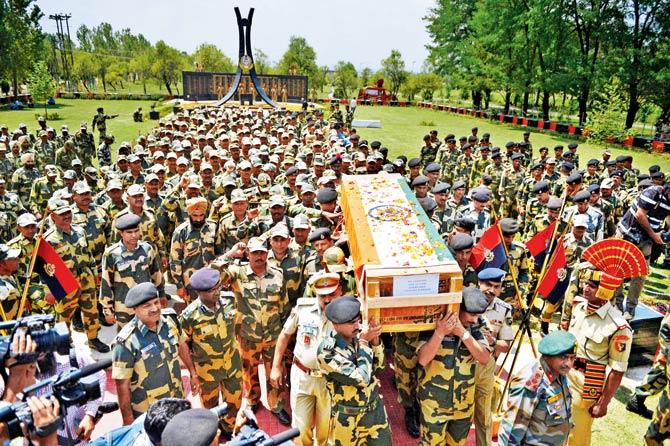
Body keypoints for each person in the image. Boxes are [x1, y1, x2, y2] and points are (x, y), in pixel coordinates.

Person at [211, 238, 290, 425]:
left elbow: (284, 305)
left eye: (262, 252)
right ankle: (253, 400)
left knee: (276, 372)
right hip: (247, 334)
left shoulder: (277, 274)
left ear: (267, 253)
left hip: (273, 335)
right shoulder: (237, 274)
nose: (259, 257)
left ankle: (277, 405)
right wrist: (230, 254)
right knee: (249, 371)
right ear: (248, 254)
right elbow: (212, 274)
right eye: (255, 253)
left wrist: (285, 334)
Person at [270, 272, 341, 446]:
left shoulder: (348, 313)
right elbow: (285, 335)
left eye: (331, 294)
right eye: (322, 295)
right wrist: (276, 366)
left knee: (328, 430)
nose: (327, 300)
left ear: (340, 291)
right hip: (303, 377)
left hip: (331, 380)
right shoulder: (303, 309)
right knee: (300, 431)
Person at [565, 268, 632, 446]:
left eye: (592, 286)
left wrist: (603, 402)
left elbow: (617, 369)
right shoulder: (578, 306)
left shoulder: (618, 326)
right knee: (555, 427)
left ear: (605, 290)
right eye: (586, 283)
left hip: (586, 385)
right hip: (564, 375)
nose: (586, 288)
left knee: (576, 435)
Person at [417, 287, 491, 446]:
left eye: (478, 316)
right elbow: (423, 359)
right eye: (472, 315)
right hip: (434, 405)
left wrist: (463, 333)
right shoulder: (433, 323)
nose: (475, 320)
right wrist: (440, 333)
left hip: (463, 407)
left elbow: (484, 358)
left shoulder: (474, 328)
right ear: (458, 309)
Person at [317, 296, 391, 446]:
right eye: (351, 323)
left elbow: (380, 368)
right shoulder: (327, 353)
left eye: (358, 320)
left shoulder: (359, 336)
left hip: (375, 413)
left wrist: (375, 340)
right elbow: (361, 379)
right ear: (335, 324)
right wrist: (364, 342)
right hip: (347, 419)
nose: (357, 326)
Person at [112, 282, 190, 424]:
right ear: (135, 309)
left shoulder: (170, 321)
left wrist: (193, 373)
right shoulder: (126, 342)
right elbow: (122, 385)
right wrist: (128, 420)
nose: (154, 308)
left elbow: (182, 344)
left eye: (156, 302)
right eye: (147, 305)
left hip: (176, 401)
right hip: (150, 413)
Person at [178, 267, 242, 439]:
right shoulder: (189, 316)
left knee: (234, 402)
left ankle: (228, 429)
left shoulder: (229, 301)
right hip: (207, 372)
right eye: (211, 290)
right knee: (209, 408)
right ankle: (213, 432)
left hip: (232, 366)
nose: (217, 292)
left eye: (218, 287)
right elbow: (183, 344)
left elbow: (237, 325)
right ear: (199, 292)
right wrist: (192, 373)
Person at [43, 197, 109, 353]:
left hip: (86, 277)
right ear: (53, 216)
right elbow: (46, 269)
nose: (66, 216)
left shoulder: (80, 231)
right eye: (61, 214)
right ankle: (64, 342)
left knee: (91, 310)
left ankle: (93, 338)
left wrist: (94, 273)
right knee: (64, 314)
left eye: (68, 212)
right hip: (65, 280)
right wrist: (48, 291)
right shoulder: (49, 239)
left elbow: (89, 255)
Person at [498, 330, 576, 446]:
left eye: (573, 358)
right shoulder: (531, 382)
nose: (569, 364)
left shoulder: (560, 373)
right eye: (563, 357)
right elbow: (511, 432)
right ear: (547, 356)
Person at [99, 213, 165, 328]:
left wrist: (162, 294)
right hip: (124, 307)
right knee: (126, 339)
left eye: (136, 231)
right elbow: (106, 284)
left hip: (147, 304)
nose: (134, 235)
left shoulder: (147, 249)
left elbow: (156, 274)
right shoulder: (112, 254)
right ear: (121, 233)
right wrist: (107, 310)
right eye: (129, 233)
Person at [615, 184, 670, 319]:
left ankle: (630, 308)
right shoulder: (653, 193)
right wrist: (654, 235)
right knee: (617, 269)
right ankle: (616, 304)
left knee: (640, 274)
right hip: (628, 233)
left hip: (646, 239)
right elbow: (640, 215)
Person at [474, 268, 513, 446]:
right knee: (460, 416)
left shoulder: (504, 309)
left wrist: (493, 341)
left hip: (485, 370)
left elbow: (506, 346)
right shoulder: (463, 300)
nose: (491, 290)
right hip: (462, 367)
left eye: (496, 287)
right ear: (479, 283)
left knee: (484, 417)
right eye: (488, 285)